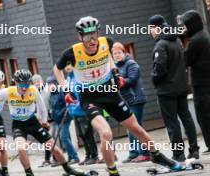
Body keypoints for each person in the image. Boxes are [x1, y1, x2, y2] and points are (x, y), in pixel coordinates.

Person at [53, 16, 182, 176]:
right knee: (106, 133)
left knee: (136, 128)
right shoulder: (72, 52)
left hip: (110, 93)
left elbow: (107, 56)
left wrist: (114, 71)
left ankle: (157, 156)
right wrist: (65, 89)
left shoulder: (106, 42)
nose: (92, 41)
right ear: (80, 36)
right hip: (90, 98)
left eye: (94, 35)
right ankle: (112, 170)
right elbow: (56, 69)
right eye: (87, 37)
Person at [0, 69, 87, 176]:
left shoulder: (33, 90)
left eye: (27, 84)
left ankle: (68, 168)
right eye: (22, 85)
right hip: (18, 125)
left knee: (53, 147)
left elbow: (42, 107)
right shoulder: (9, 91)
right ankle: (29, 173)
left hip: (32, 122)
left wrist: (44, 122)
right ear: (16, 83)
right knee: (21, 149)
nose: (25, 87)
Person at [149, 14, 199, 161]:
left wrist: (154, 80)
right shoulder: (177, 40)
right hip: (182, 87)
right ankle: (194, 150)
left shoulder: (160, 45)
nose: (150, 32)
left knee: (172, 123)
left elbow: (159, 69)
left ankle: (178, 154)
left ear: (157, 28)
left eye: (151, 28)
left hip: (166, 90)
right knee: (187, 118)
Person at [178, 10, 210, 155]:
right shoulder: (203, 35)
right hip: (205, 82)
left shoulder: (196, 40)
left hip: (202, 85)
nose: (184, 29)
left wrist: (182, 41)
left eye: (185, 25)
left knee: (204, 115)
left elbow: (185, 60)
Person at [112, 42, 149, 163]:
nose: (117, 55)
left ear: (124, 52)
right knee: (130, 127)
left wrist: (121, 81)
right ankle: (133, 153)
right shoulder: (115, 67)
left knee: (136, 127)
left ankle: (144, 153)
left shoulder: (131, 64)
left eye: (119, 52)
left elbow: (132, 79)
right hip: (126, 100)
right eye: (114, 53)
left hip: (136, 99)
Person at [67, 69, 99, 165]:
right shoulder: (68, 78)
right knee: (81, 135)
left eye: (69, 65)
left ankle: (94, 156)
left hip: (82, 111)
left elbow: (85, 93)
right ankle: (87, 155)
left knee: (88, 134)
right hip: (74, 111)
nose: (67, 67)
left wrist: (80, 104)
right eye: (66, 65)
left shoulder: (79, 76)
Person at [47, 76, 80, 165]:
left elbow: (66, 104)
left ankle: (75, 157)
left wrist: (59, 113)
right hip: (57, 120)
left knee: (63, 137)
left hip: (65, 118)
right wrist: (52, 114)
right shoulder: (51, 94)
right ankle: (70, 157)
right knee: (64, 138)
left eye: (52, 84)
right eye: (49, 84)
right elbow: (52, 107)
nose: (50, 86)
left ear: (55, 83)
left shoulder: (61, 92)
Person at [32, 74, 56, 167]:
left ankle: (55, 158)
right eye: (35, 82)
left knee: (52, 139)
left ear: (42, 81)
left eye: (38, 81)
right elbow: (34, 108)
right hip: (42, 120)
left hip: (51, 118)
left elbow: (53, 101)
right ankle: (47, 159)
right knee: (46, 140)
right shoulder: (33, 94)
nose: (37, 83)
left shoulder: (47, 90)